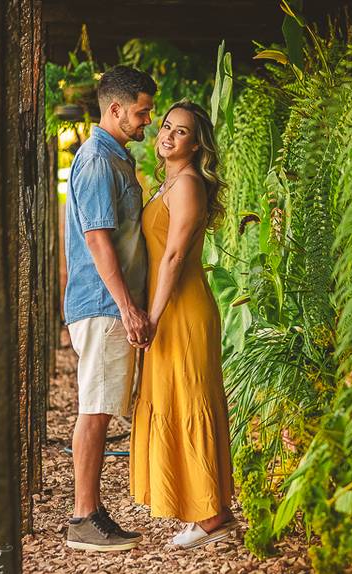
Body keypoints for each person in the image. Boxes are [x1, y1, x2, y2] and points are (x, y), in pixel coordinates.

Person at [129, 100, 235, 549]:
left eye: (182, 131)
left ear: (197, 144)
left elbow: (172, 256)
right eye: (166, 127)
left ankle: (213, 516)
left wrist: (151, 317)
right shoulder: (167, 182)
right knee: (173, 397)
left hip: (183, 309)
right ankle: (204, 507)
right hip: (166, 306)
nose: (168, 135)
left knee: (191, 399)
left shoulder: (188, 184)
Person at [63, 65, 156, 552]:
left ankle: (93, 510)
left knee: (99, 407)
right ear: (115, 108)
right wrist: (128, 307)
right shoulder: (98, 160)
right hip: (103, 304)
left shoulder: (115, 157)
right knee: (95, 409)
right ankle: (83, 517)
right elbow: (98, 239)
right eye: (141, 113)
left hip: (108, 303)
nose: (147, 123)